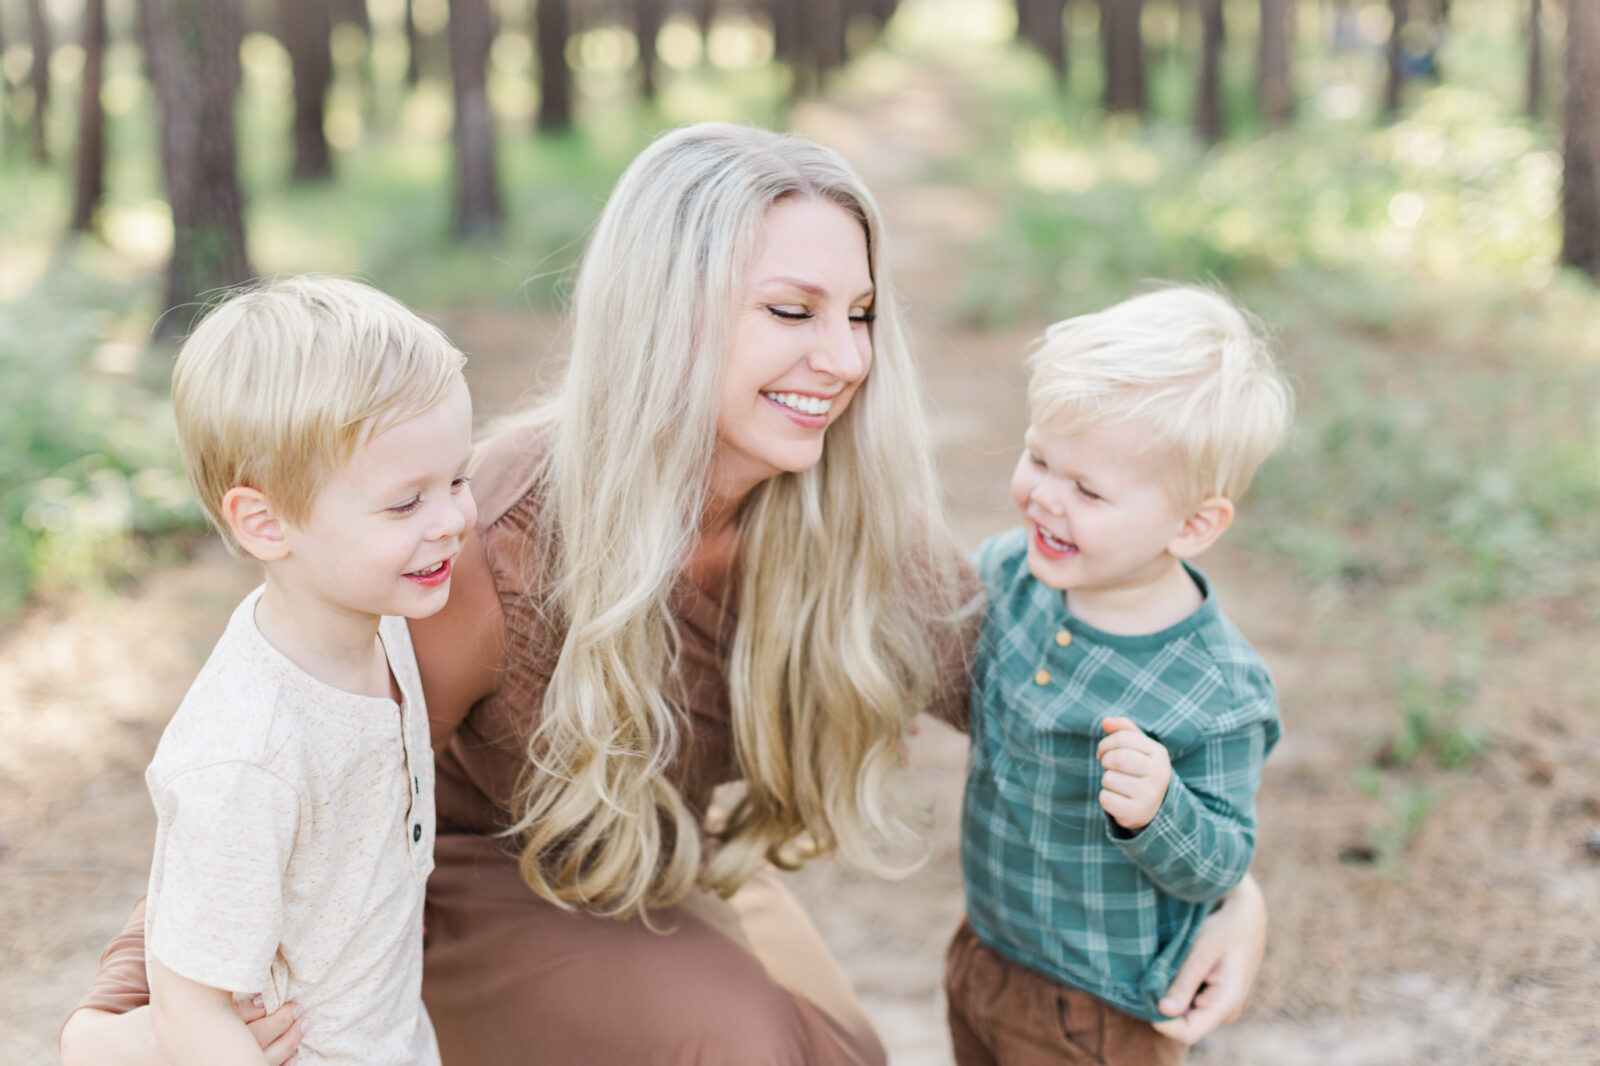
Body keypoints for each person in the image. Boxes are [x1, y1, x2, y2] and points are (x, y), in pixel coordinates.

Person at [60, 125, 1267, 1066]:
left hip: (650, 861)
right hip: (465, 886)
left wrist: (1228, 879)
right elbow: (284, 767)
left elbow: (1055, 684)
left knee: (837, 1058)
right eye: (790, 314)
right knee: (734, 1045)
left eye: (856, 314)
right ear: (668, 314)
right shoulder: (495, 540)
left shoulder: (843, 529)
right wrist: (118, 1014)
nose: (841, 358)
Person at [943, 286, 1293, 1066]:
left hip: (1100, 1009)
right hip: (988, 948)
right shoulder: (1011, 572)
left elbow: (1223, 863)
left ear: (1193, 525)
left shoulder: (1215, 691)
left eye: (1089, 490)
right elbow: (951, 667)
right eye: (1039, 458)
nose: (1045, 498)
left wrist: (1160, 808)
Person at [132, 277, 476, 1065]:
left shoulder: (380, 619)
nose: (454, 519)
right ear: (265, 522)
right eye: (405, 504)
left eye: (457, 479)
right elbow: (190, 1009)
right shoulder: (249, 754)